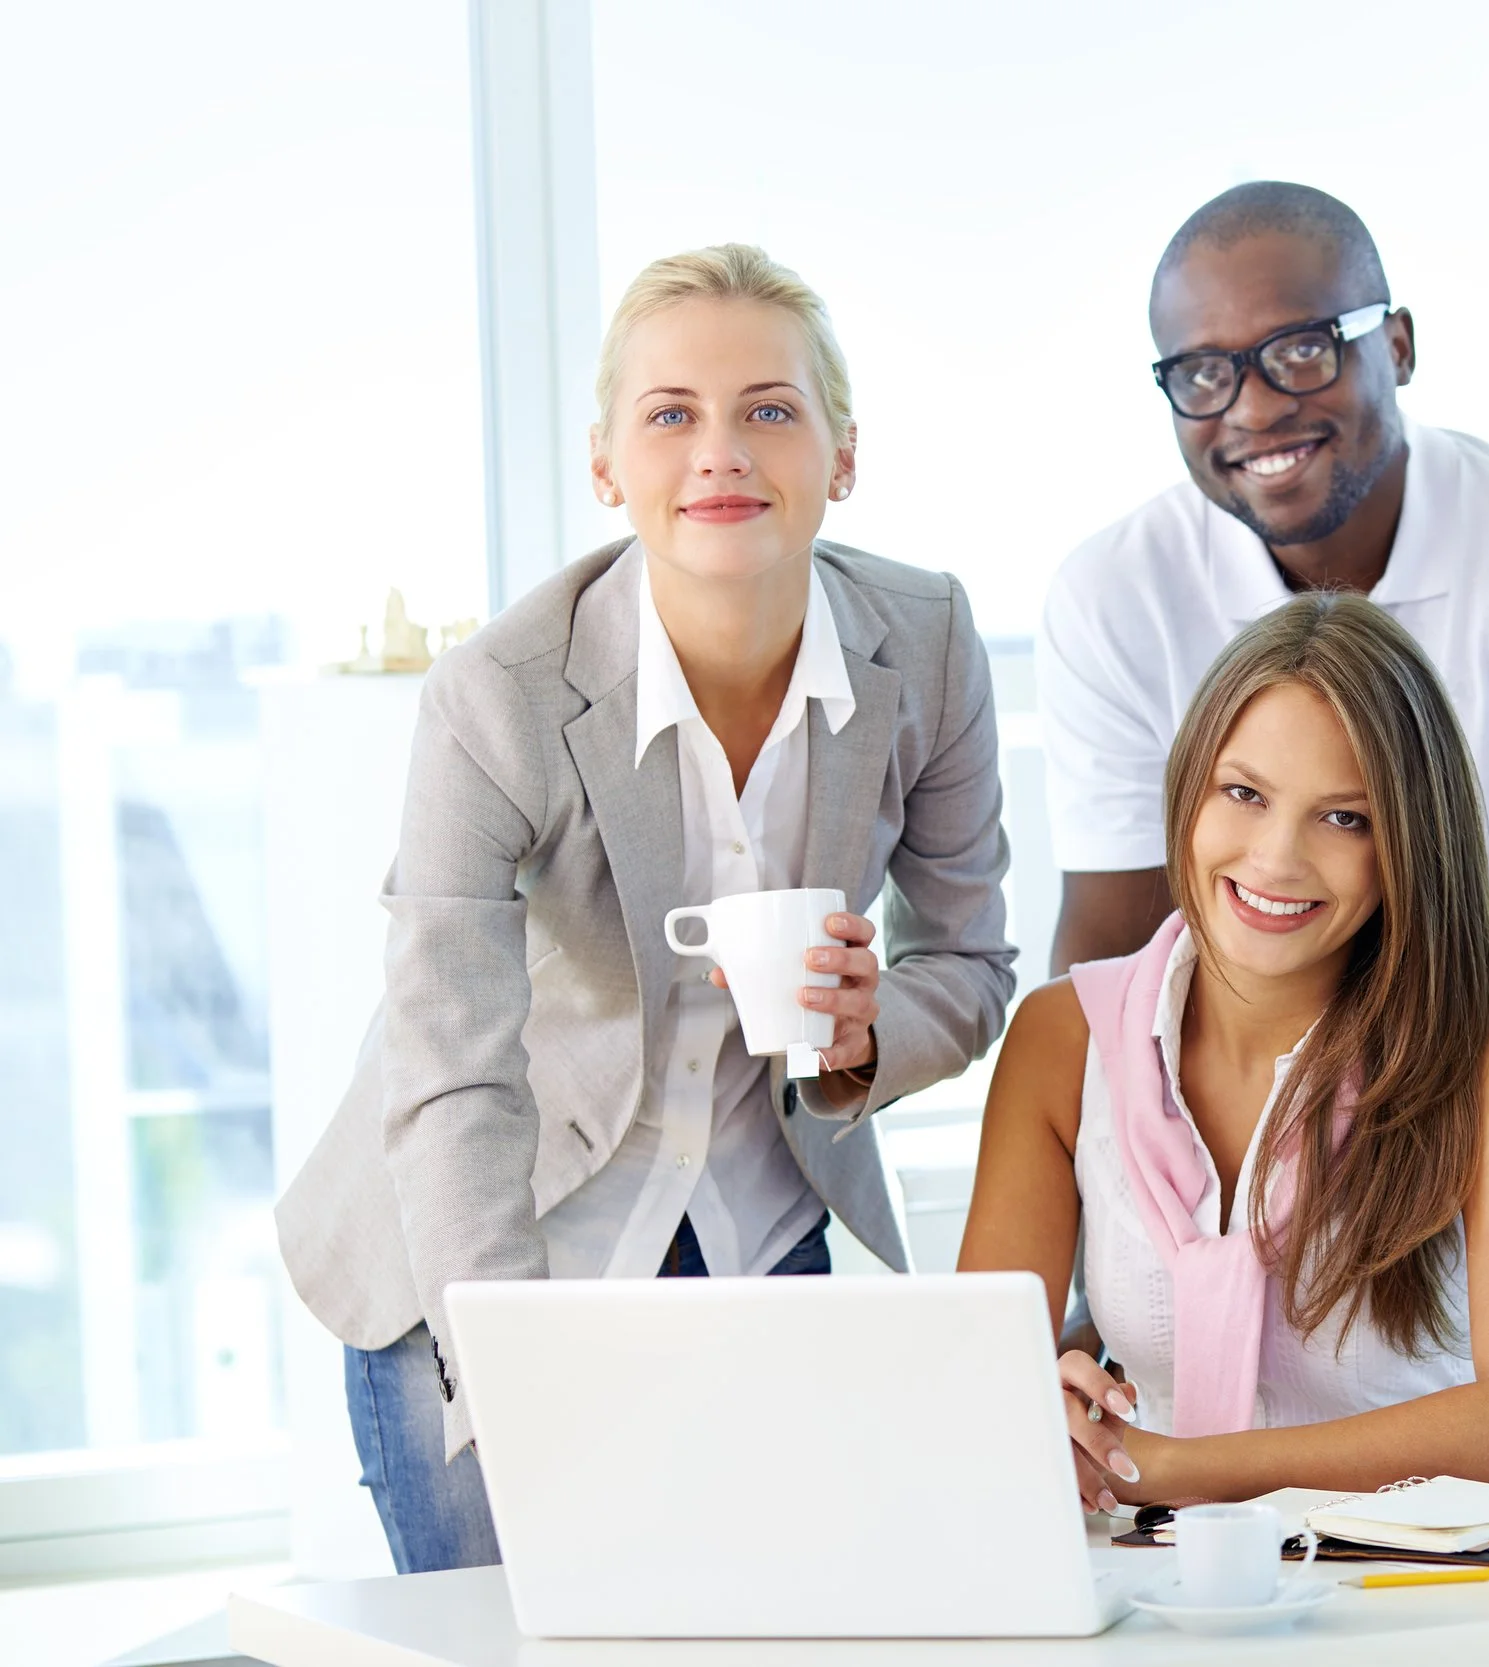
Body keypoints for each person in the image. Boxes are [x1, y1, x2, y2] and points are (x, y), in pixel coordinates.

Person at [275, 244, 1015, 1573]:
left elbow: (967, 962)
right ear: (608, 465)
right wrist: (509, 1361)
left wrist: (863, 1033)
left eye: (769, 409)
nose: (721, 451)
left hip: (757, 1232)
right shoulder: (500, 694)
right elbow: (451, 1068)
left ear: (844, 452)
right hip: (493, 1237)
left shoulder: (933, 642)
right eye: (671, 413)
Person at [1039, 181, 1489, 1439]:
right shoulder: (1112, 592)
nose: (1253, 406)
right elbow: (1110, 941)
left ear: (1396, 343)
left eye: (1301, 350)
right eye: (1201, 372)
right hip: (1245, 1260)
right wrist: (1108, 1281)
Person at [959, 591, 1489, 1502]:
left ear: (1406, 846)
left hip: (1418, 1594)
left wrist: (1174, 1467)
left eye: (1345, 818)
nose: (1275, 859)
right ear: (1189, 787)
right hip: (1167, 1595)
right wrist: (1044, 1417)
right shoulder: (1063, 1040)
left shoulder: (1485, 1042)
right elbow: (976, 1397)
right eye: (1245, 793)